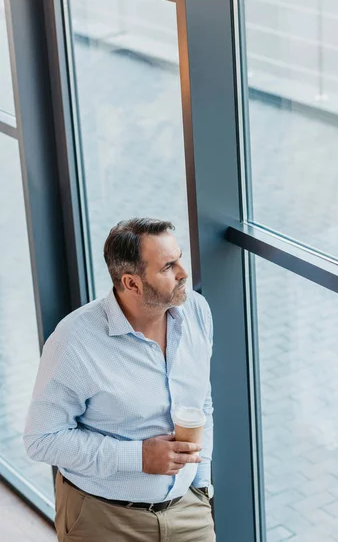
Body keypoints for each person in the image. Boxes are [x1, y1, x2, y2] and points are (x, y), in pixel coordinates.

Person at [24, 218, 215, 542]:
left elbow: (203, 403)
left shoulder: (196, 312)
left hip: (188, 513)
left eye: (179, 258)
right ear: (132, 283)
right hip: (105, 520)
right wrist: (138, 456)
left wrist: (200, 485)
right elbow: (41, 440)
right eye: (168, 266)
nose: (184, 273)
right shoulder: (73, 342)